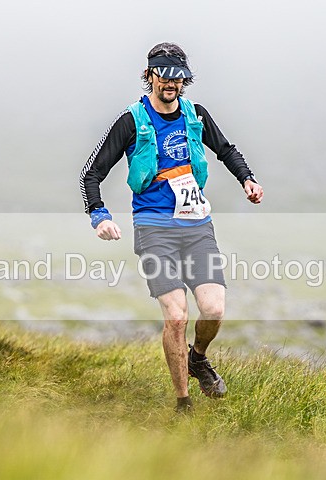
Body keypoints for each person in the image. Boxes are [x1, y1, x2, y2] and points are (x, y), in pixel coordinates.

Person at [79, 42, 263, 413]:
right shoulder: (132, 119)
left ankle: (198, 358)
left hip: (197, 226)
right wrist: (99, 214)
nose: (170, 83)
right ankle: (183, 402)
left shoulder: (196, 115)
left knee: (213, 310)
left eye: (177, 77)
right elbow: (92, 172)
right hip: (154, 228)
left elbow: (226, 150)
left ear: (184, 80)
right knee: (176, 316)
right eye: (162, 74)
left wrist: (247, 179)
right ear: (149, 75)